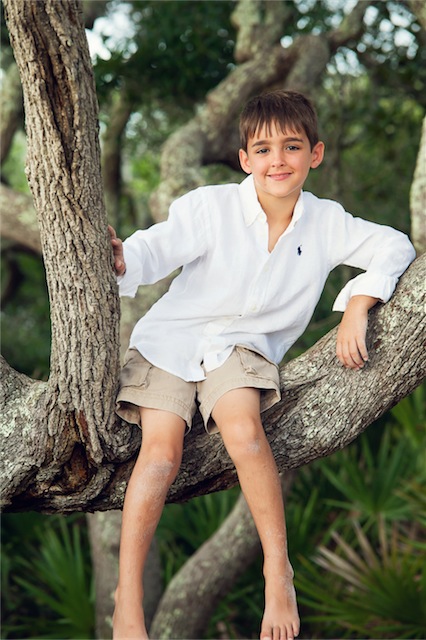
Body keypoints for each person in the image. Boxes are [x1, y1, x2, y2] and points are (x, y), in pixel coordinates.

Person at [109, 90, 415, 640]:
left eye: (292, 147)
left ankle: (279, 570)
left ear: (315, 154)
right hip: (171, 342)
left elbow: (394, 246)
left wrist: (359, 303)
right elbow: (156, 249)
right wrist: (122, 257)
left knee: (245, 433)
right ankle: (126, 600)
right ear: (245, 158)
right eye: (264, 148)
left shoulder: (327, 222)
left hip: (243, 349)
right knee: (159, 455)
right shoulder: (211, 206)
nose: (279, 160)